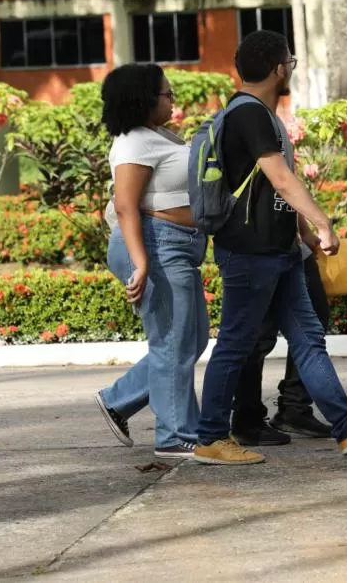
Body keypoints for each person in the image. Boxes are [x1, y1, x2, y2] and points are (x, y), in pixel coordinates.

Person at [193, 30, 347, 466]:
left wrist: (304, 237)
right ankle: (211, 437)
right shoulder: (248, 114)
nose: (290, 69)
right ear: (278, 68)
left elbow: (274, 191)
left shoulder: (262, 114)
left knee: (309, 339)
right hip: (249, 252)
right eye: (289, 63)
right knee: (236, 343)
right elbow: (282, 179)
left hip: (279, 250)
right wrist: (323, 222)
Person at [93, 63, 209, 460]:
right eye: (166, 93)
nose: (173, 99)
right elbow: (126, 206)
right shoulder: (132, 142)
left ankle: (119, 400)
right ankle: (175, 434)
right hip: (154, 246)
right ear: (143, 99)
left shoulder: (157, 136)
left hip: (176, 245)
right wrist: (140, 264)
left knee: (191, 339)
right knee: (173, 342)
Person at [231, 249, 333, 446]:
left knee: (314, 320)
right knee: (260, 334)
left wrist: (305, 231)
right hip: (262, 246)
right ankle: (247, 418)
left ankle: (295, 407)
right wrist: (321, 224)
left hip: (292, 247)